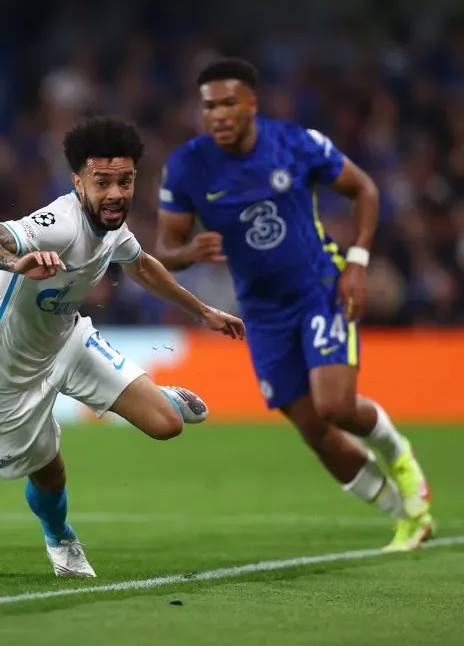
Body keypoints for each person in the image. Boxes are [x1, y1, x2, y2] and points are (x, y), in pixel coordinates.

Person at [155, 57, 433, 552]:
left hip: (319, 289)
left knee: (336, 406)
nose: (217, 114)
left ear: (252, 105)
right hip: (261, 314)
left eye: (228, 103)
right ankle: (407, 515)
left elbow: (363, 189)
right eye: (209, 106)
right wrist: (187, 252)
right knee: (315, 431)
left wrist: (358, 263)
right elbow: (167, 247)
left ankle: (400, 455)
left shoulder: (295, 143)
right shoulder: (187, 166)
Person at [0, 116, 245, 577]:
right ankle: (60, 539)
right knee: (50, 475)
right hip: (6, 374)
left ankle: (161, 398)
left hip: (69, 339)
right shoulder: (57, 224)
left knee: (167, 424)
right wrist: (18, 261)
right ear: (78, 182)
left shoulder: (112, 227)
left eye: (125, 181)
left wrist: (203, 312)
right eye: (102, 182)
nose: (116, 193)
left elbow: (143, 265)